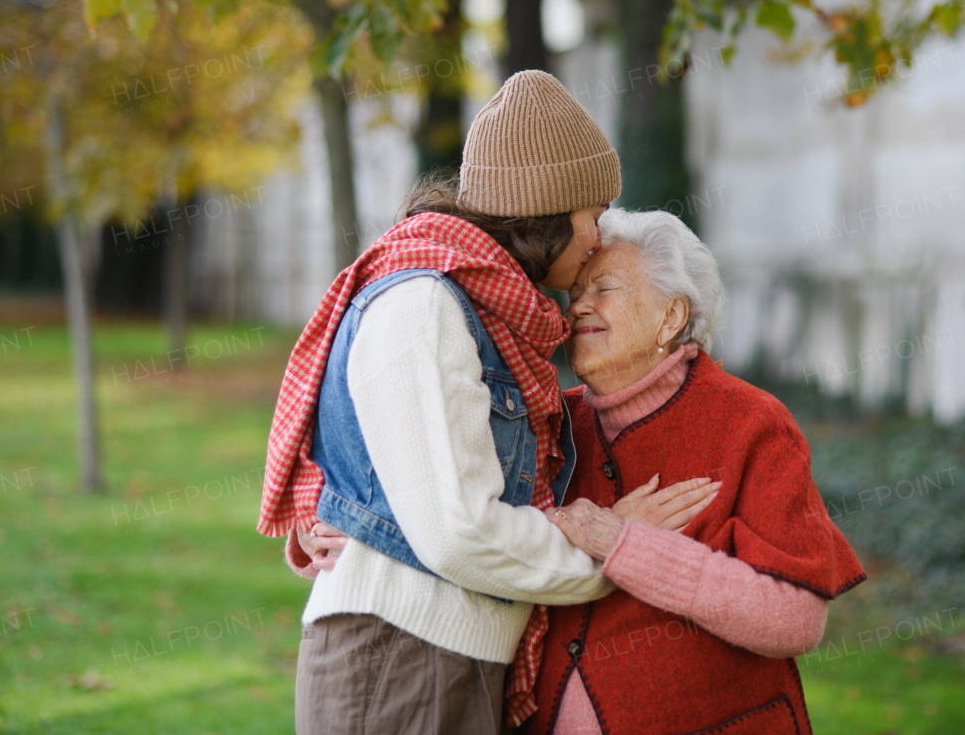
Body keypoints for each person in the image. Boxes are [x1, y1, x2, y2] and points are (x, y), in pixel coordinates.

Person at [259, 71, 718, 735]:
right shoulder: (424, 304)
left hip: (439, 654)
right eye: (591, 215)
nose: (597, 236)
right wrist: (611, 549)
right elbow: (461, 529)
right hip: (403, 656)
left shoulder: (480, 307)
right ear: (549, 209)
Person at [527, 208, 867, 735]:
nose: (578, 308)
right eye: (574, 294)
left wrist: (626, 545)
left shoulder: (750, 422)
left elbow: (795, 616)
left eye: (603, 289)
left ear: (671, 316)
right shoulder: (552, 419)